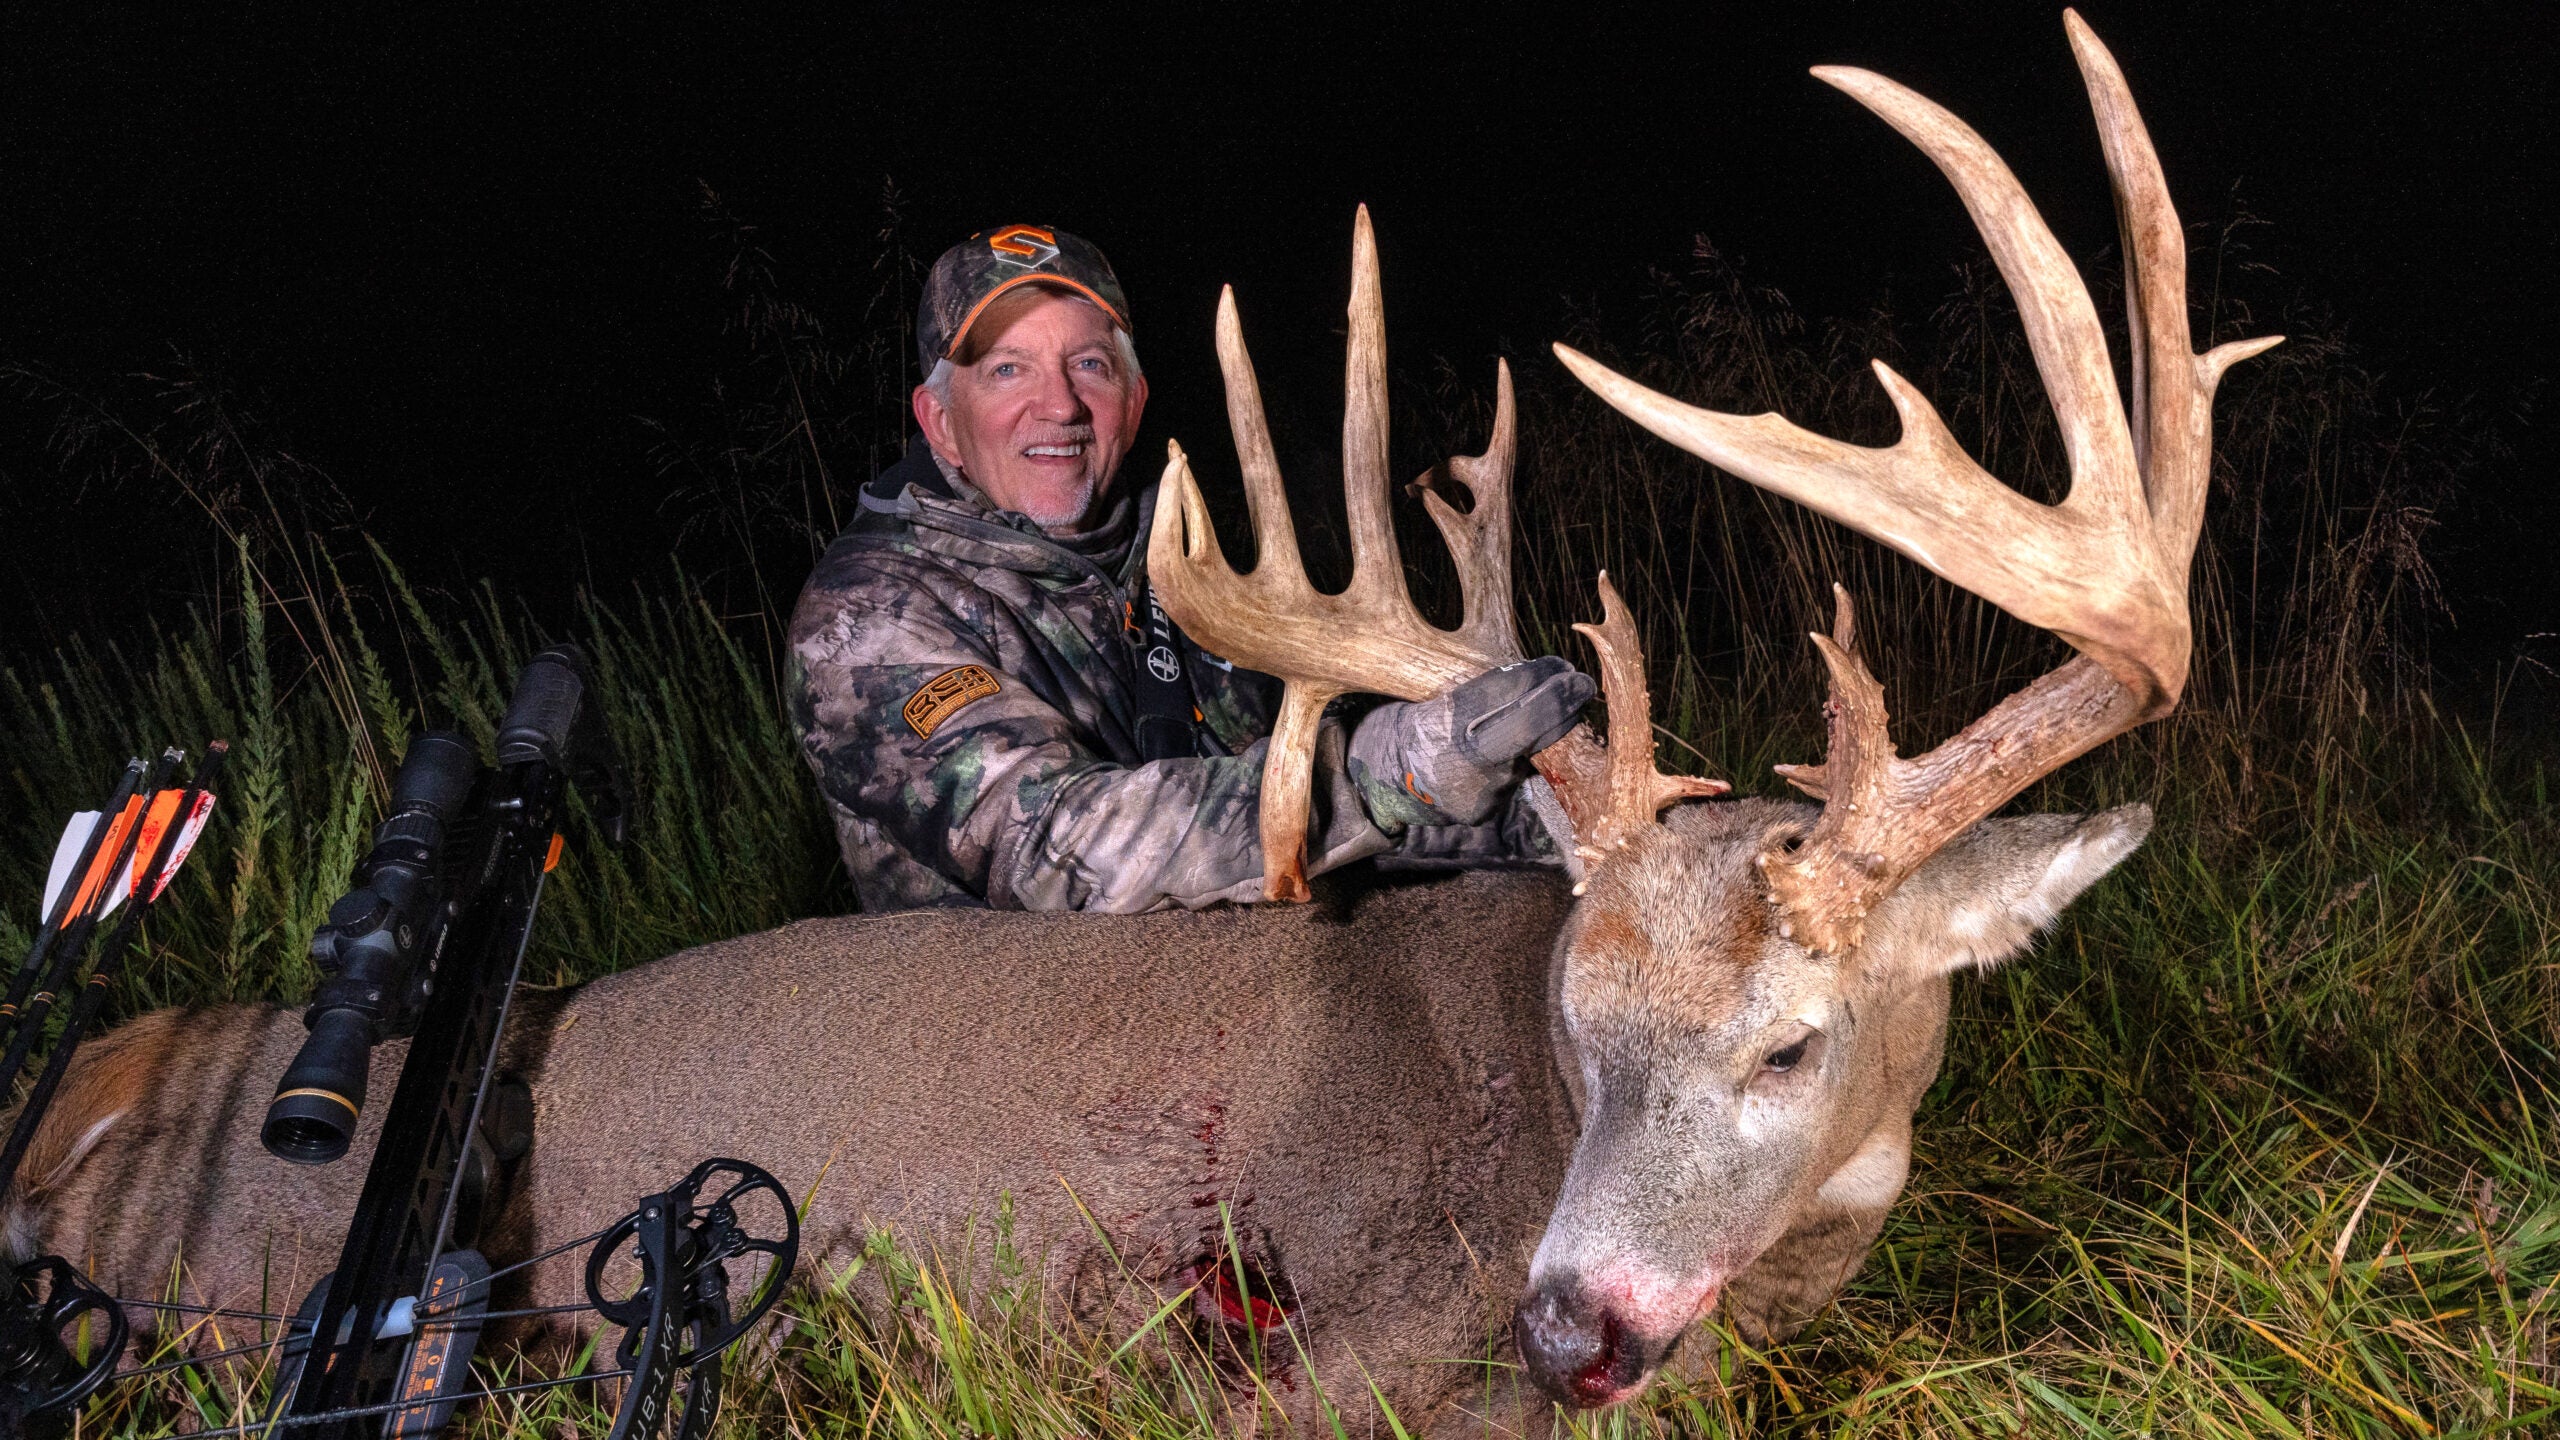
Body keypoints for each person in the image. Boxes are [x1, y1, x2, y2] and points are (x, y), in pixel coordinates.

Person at [785, 224, 1590, 912]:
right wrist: (1387, 774)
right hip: (1009, 1051)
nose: (1060, 405)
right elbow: (1054, 844)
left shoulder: (1198, 575)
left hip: (1229, 1012)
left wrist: (1544, 811)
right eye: (1007, 369)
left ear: (1135, 402)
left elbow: (1342, 801)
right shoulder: (867, 618)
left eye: (1091, 365)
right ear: (939, 423)